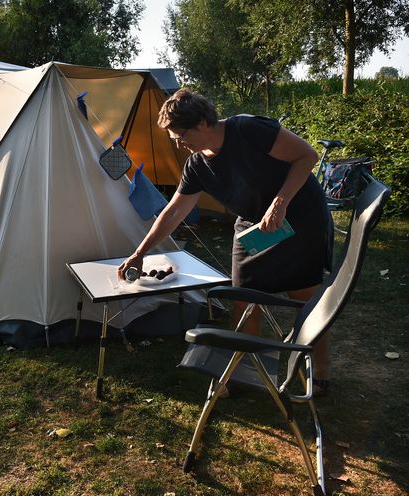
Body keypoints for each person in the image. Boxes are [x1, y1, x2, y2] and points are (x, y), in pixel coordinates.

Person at [117, 89, 334, 396]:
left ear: (204, 122)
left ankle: (320, 368)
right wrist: (140, 252)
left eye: (181, 134)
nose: (179, 142)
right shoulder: (197, 166)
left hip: (299, 216)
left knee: (304, 298)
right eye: (174, 137)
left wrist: (280, 201)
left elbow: (307, 156)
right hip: (252, 226)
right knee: (243, 296)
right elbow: (175, 210)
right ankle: (246, 370)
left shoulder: (248, 129)